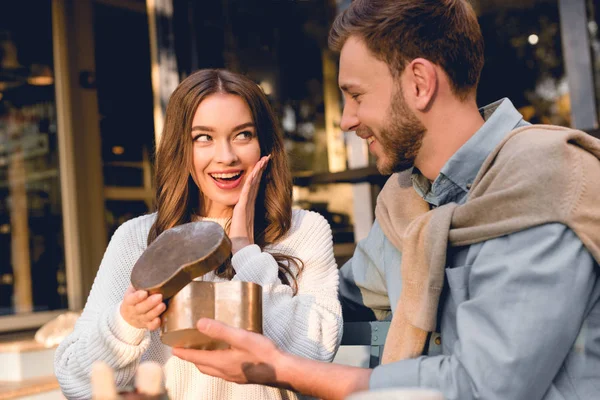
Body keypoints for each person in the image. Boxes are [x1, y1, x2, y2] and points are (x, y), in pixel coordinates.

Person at [171, 1, 600, 399]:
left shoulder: (547, 180)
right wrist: (226, 276)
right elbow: (333, 316)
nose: (345, 120)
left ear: (419, 83)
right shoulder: (405, 203)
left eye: (356, 95)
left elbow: (482, 386)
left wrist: (280, 368)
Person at [54, 69, 343, 400]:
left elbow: (314, 355)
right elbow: (74, 381)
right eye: (203, 137)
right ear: (182, 147)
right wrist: (127, 322)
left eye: (243, 135)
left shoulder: (303, 230)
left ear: (265, 143)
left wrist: (246, 252)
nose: (226, 156)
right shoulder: (137, 237)